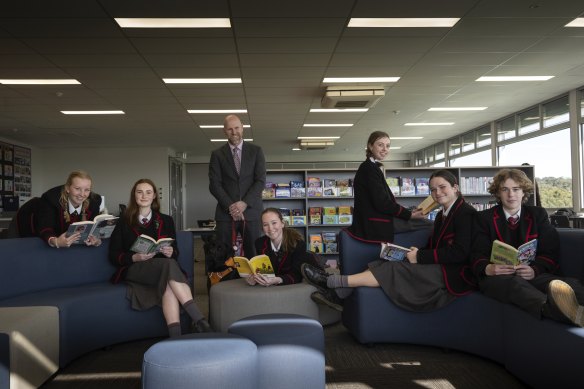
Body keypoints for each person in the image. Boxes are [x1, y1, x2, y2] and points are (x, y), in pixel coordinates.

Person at [303, 170, 477, 312]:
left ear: (455, 188)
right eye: (433, 189)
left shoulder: (465, 213)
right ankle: (337, 294)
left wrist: (421, 257)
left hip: (453, 274)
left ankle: (330, 282)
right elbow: (436, 245)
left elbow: (460, 253)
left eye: (442, 187)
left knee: (393, 269)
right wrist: (414, 252)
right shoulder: (442, 215)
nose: (437, 193)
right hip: (439, 265)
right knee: (381, 262)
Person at [471, 168, 584, 327]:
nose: (511, 195)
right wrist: (488, 268)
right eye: (505, 189)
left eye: (516, 189)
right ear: (498, 193)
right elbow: (476, 253)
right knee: (515, 285)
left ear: (524, 192)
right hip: (500, 277)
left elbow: (550, 251)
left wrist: (534, 270)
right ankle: (556, 311)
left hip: (532, 273)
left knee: (569, 284)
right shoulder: (484, 218)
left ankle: (577, 311)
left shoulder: (538, 215)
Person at [109, 179, 211, 336]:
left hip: (161, 268)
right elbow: (114, 255)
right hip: (135, 269)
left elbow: (175, 250)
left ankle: (175, 337)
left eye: (148, 192)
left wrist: (171, 252)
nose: (144, 196)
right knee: (168, 266)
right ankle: (200, 320)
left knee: (168, 279)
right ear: (134, 195)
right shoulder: (123, 221)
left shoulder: (166, 220)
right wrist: (134, 257)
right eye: (139, 192)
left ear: (154, 196)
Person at [349, 130, 432, 243]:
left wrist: (409, 212)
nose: (385, 149)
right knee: (430, 225)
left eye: (387, 146)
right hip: (375, 223)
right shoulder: (369, 169)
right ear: (370, 146)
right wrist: (409, 215)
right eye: (380, 145)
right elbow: (382, 203)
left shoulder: (371, 167)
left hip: (376, 219)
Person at [209, 114, 266, 259]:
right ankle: (225, 282)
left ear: (243, 128)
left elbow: (260, 181)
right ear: (224, 131)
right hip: (225, 215)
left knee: (254, 254)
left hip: (251, 213)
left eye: (237, 128)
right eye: (230, 129)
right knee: (224, 257)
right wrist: (231, 206)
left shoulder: (256, 151)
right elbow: (214, 185)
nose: (234, 132)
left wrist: (244, 203)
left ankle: (257, 281)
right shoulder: (217, 154)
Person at [246, 207, 324, 287]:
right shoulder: (259, 243)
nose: (270, 228)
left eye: (274, 223)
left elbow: (297, 275)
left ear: (282, 223)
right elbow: (264, 270)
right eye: (265, 225)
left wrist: (277, 279)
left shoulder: (298, 243)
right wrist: (255, 278)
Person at [36, 170, 103, 248]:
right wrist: (56, 242)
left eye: (87, 190)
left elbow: (94, 228)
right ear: (67, 188)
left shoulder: (95, 200)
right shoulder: (50, 198)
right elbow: (45, 227)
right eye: (77, 188)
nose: (82, 194)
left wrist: (96, 239)